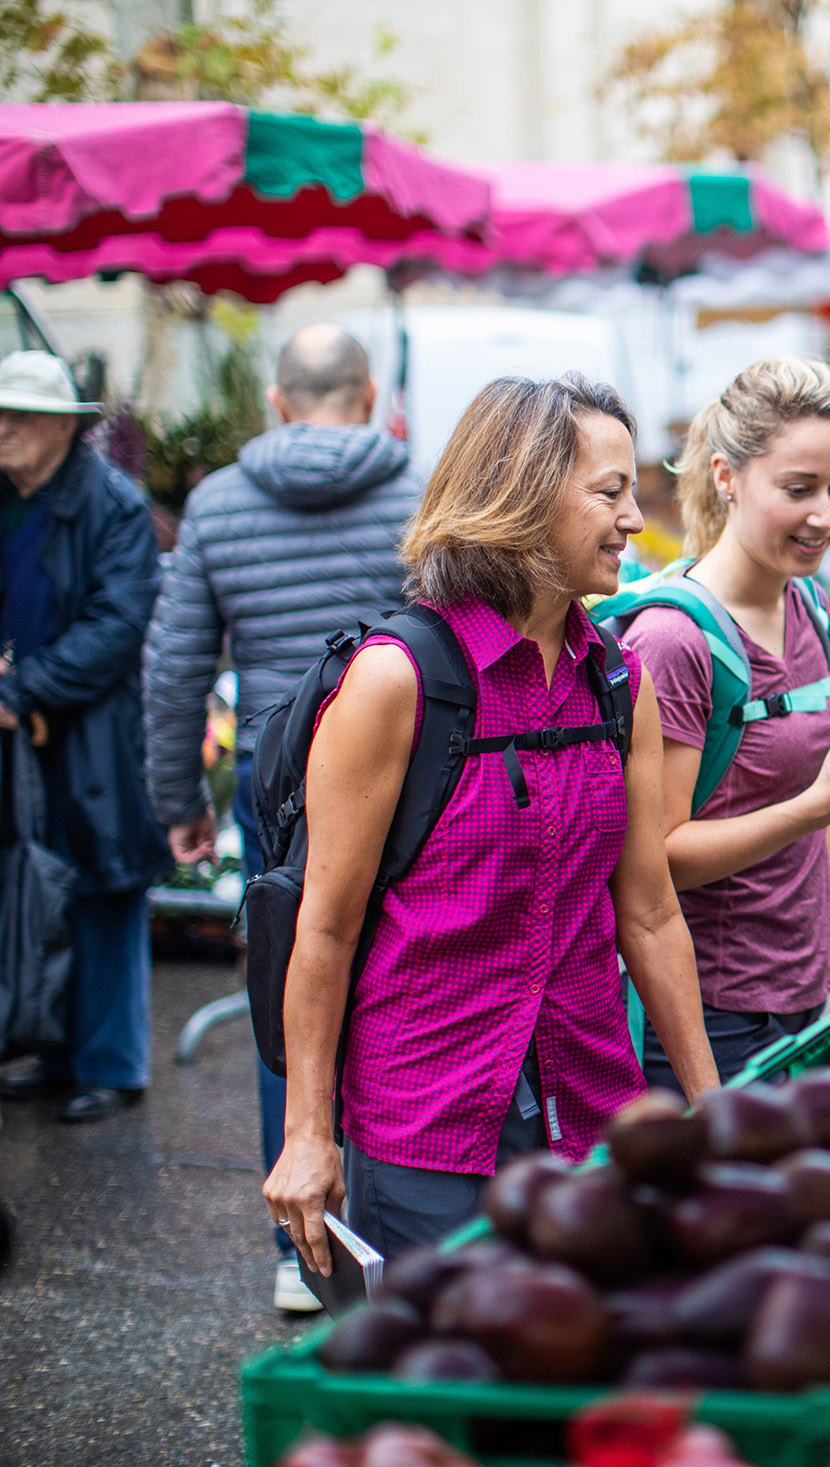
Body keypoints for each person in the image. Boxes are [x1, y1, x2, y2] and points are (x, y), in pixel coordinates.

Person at [260, 374, 720, 1272]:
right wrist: (307, 1132)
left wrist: (712, 1104)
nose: (635, 519)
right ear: (518, 494)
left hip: (590, 1110)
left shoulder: (619, 682)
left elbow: (653, 914)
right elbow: (324, 925)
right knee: (448, 1389)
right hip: (426, 1125)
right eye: (610, 491)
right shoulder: (400, 680)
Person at [141, 322, 416, 1314]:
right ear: (371, 393)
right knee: (397, 981)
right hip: (408, 788)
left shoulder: (216, 503)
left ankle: (303, 1249)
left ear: (279, 402)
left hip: (281, 794)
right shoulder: (415, 489)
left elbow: (173, 670)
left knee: (286, 993)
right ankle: (397, 1214)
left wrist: (178, 805)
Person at [618, 361, 830, 1089]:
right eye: (798, 489)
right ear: (726, 476)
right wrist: (825, 800)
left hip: (805, 993)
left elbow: (815, 813)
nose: (824, 514)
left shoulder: (805, 603)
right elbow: (657, 857)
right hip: (712, 1012)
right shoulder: (672, 641)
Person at [0, 351, 167, 1124]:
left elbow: (117, 626)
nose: (4, 429)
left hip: (88, 730)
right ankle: (54, 1045)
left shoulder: (114, 504)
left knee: (102, 883)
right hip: (15, 730)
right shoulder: (7, 493)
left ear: (66, 427)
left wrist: (22, 688)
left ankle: (111, 1063)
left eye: (21, 416)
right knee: (36, 885)